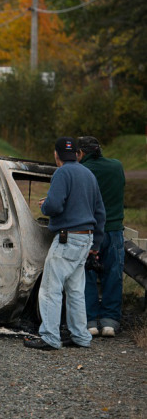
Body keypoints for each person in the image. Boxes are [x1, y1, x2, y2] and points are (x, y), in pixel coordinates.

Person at [24, 137, 105, 351]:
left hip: (67, 238)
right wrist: (95, 244)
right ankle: (80, 336)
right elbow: (99, 212)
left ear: (56, 154)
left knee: (51, 289)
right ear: (76, 153)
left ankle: (50, 337)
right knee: (75, 290)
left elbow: (55, 206)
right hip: (85, 238)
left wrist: (45, 205)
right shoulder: (88, 174)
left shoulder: (61, 173)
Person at [78, 136, 125, 338]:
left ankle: (89, 321)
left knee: (87, 276)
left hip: (90, 231)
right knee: (113, 275)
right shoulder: (117, 167)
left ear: (81, 153)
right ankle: (110, 322)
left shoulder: (82, 171)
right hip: (114, 230)